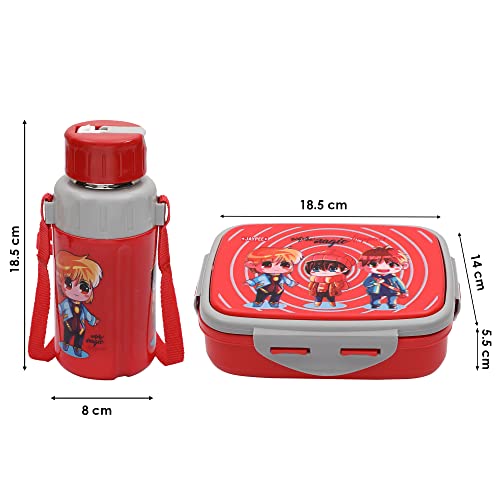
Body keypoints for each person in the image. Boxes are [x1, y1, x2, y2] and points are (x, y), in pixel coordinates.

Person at [56, 251, 102, 356]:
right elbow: (60, 307)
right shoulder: (66, 303)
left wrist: (93, 320)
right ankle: (66, 344)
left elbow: (87, 314)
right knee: (67, 333)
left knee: (80, 334)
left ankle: (77, 348)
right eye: (68, 283)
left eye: (83, 287)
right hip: (69, 322)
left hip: (80, 325)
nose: (75, 291)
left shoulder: (81, 307)